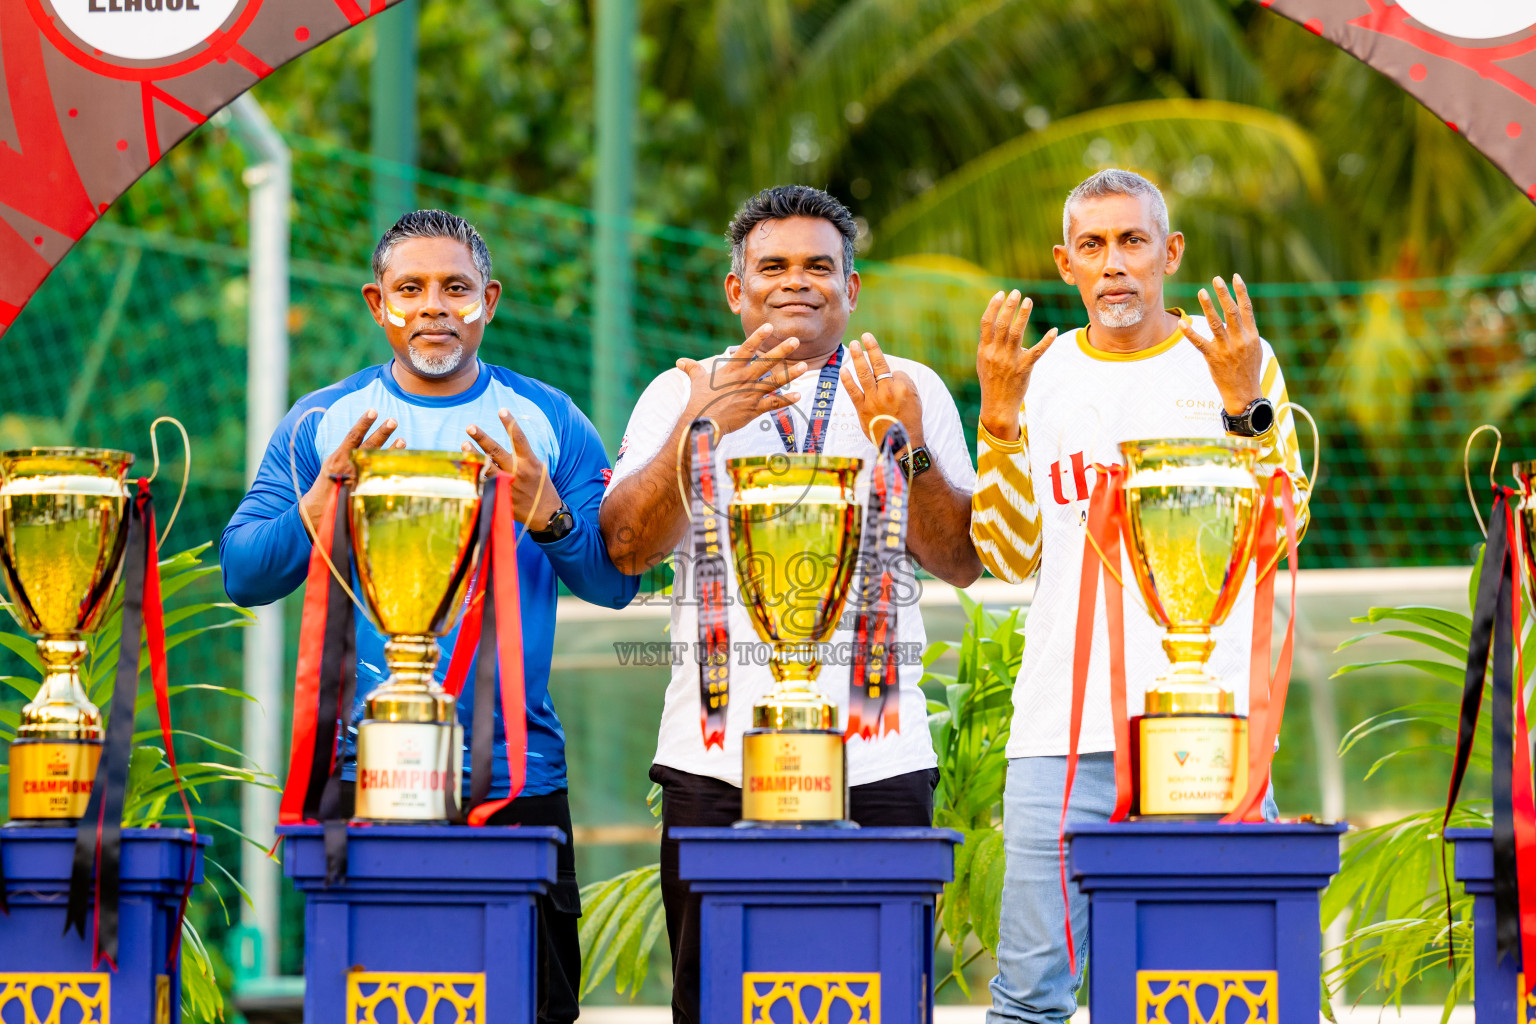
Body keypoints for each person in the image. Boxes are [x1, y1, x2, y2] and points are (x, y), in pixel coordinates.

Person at [220, 209, 639, 1024]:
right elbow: (243, 574)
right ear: (379, 305)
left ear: (491, 300)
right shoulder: (321, 424)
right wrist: (314, 511)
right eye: (411, 289)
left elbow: (614, 585)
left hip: (515, 772)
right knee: (379, 1000)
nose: (434, 306)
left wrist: (548, 512)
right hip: (365, 766)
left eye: (455, 287)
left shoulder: (546, 420)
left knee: (534, 1006)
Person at [599, 184, 982, 1024]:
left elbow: (959, 561)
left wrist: (905, 443)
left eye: (820, 266)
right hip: (718, 754)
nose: (795, 282)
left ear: (852, 288)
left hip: (878, 750)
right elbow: (624, 547)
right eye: (772, 266)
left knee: (880, 994)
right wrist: (698, 429)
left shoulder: (907, 386)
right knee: (718, 993)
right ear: (736, 291)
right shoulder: (681, 389)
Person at [970, 168, 1310, 1024]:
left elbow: (1287, 526)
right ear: (1065, 263)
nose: (1114, 264)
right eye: (1093, 246)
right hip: (1060, 728)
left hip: (1209, 723)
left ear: (1171, 252)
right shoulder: (1035, 377)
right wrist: (999, 424)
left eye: (1132, 241)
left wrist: (1245, 406)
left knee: (1222, 984)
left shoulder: (1232, 360)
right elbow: (1005, 558)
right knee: (1031, 993)